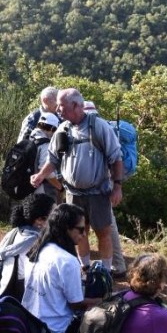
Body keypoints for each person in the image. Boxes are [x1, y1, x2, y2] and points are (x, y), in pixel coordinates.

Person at [30, 89, 123, 274]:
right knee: (79, 232)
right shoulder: (63, 129)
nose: (58, 109)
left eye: (61, 106)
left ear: (75, 105)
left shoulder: (99, 127)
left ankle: (105, 274)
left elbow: (116, 157)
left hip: (98, 192)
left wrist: (117, 187)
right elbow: (53, 159)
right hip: (73, 193)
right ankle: (86, 269)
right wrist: (41, 175)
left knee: (103, 232)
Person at [21, 203, 99, 333]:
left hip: (30, 330)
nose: (84, 235)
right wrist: (101, 301)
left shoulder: (37, 249)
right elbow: (75, 304)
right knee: (106, 317)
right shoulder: (67, 261)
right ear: (66, 228)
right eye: (81, 230)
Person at [0, 194, 56, 303]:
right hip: (18, 290)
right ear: (40, 220)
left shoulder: (15, 232)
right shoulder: (36, 242)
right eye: (54, 215)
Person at [81, 100, 127, 278]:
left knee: (104, 229)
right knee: (107, 227)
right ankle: (116, 265)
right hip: (107, 184)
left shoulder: (97, 130)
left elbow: (115, 158)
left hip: (100, 188)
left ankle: (111, 268)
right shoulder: (104, 127)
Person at [28, 111, 63, 201]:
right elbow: (47, 173)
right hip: (43, 189)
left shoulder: (31, 137)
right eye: (55, 130)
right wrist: (60, 187)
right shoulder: (45, 144)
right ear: (51, 128)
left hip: (29, 188)